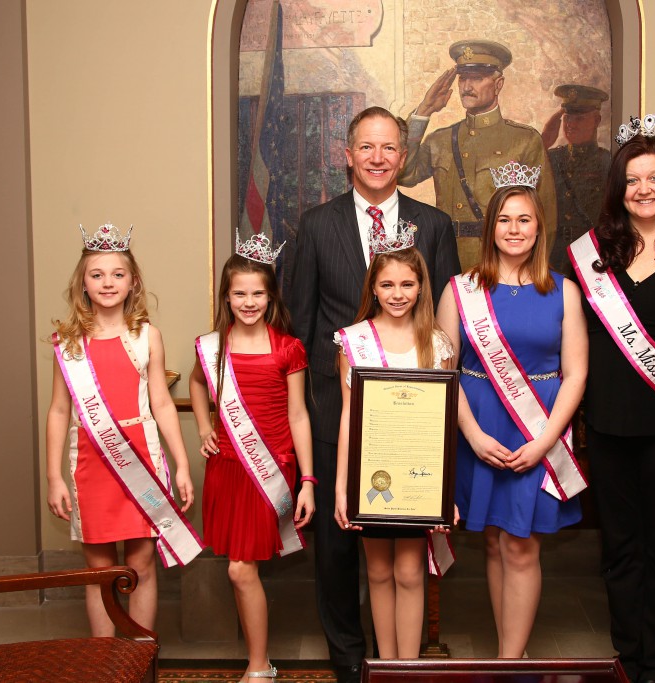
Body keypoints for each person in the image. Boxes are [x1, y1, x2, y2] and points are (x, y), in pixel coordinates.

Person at [287, 106, 460, 683]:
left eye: (389, 148)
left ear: (404, 156)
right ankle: (350, 665)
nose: (378, 158)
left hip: (412, 429)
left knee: (403, 561)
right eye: (367, 147)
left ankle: (402, 668)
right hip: (340, 416)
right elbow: (302, 327)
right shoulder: (316, 225)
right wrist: (317, 416)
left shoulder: (433, 226)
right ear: (348, 154)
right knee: (339, 555)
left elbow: (445, 328)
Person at [568, 115, 655, 683]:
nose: (644, 189)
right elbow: (571, 336)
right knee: (621, 549)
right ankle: (629, 656)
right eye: (632, 180)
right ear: (618, 187)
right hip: (608, 424)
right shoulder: (591, 249)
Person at [437, 166, 588, 658]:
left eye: (525, 219)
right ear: (490, 228)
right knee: (496, 541)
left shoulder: (563, 290)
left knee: (522, 543)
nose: (515, 229)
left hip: (539, 427)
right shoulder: (460, 291)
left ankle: (506, 662)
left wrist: (545, 442)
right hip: (478, 425)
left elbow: (577, 375)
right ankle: (512, 652)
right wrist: (474, 437)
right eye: (504, 219)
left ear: (540, 227)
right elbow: (447, 373)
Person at [45, 223, 202, 637]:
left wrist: (181, 465)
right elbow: (60, 411)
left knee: (142, 564)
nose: (107, 282)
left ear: (133, 282)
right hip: (91, 465)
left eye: (117, 274)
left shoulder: (146, 336)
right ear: (83, 283)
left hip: (141, 459)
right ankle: (104, 663)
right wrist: (53, 476)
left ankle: (138, 658)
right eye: (97, 275)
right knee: (99, 571)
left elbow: (162, 403)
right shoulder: (68, 342)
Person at [190, 235, 315, 682]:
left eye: (257, 293)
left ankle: (260, 666)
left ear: (271, 295)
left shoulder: (288, 348)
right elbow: (197, 385)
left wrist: (307, 480)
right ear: (227, 296)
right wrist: (205, 428)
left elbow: (298, 415)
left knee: (241, 568)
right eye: (239, 293)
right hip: (227, 467)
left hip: (271, 467)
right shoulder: (212, 347)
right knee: (239, 568)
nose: (248, 301)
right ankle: (259, 663)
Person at [333, 237, 455, 660]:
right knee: (379, 571)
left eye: (407, 284)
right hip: (371, 479)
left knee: (409, 571)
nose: (397, 294)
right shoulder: (352, 341)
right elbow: (349, 416)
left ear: (421, 286)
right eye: (387, 285)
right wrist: (341, 489)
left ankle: (409, 668)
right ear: (373, 288)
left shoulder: (436, 344)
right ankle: (384, 667)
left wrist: (446, 493)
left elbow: (443, 424)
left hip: (417, 481)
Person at [399, 39, 557, 271]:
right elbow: (403, 174)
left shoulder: (524, 140)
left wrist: (530, 271)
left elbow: (545, 216)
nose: (467, 86)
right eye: (463, 78)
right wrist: (424, 110)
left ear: (498, 84)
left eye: (478, 78)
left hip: (499, 264)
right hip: (444, 260)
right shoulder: (440, 140)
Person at [541, 84, 611, 274]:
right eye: (567, 118)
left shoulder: (609, 163)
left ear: (596, 120)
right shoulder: (550, 158)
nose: (571, 124)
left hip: (593, 256)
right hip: (554, 257)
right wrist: (543, 142)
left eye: (579, 118)